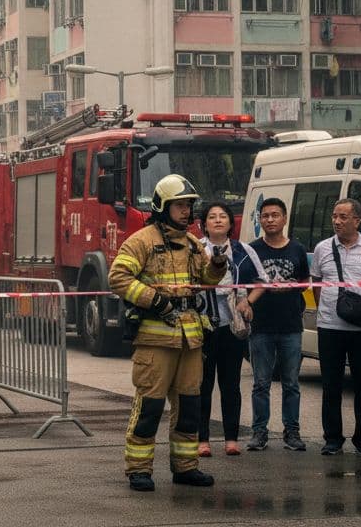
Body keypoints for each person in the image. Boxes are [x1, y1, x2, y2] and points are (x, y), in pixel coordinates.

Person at [110, 175, 227, 492]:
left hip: (191, 340)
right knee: (149, 408)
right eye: (180, 205)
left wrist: (217, 265)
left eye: (189, 205)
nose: (187, 211)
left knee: (190, 408)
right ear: (163, 206)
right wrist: (154, 300)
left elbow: (208, 280)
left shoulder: (192, 244)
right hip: (155, 339)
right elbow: (118, 277)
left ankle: (186, 467)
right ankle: (138, 469)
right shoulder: (142, 241)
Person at [237, 197, 311, 453]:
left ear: (284, 218)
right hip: (261, 326)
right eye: (265, 215)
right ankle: (259, 432)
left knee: (291, 383)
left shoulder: (298, 249)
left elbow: (306, 281)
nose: (269, 220)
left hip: (291, 325)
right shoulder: (252, 250)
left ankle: (292, 432)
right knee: (261, 383)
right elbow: (244, 285)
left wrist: (292, 285)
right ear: (260, 220)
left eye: (275, 215)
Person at [310, 197, 361, 456]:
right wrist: (327, 310)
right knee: (331, 385)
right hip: (330, 326)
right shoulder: (322, 248)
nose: (337, 221)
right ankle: (332, 438)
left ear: (357, 220)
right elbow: (316, 282)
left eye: (343, 217)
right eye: (334, 216)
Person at [196, 201, 262, 458]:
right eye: (212, 217)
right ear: (204, 224)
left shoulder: (243, 250)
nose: (218, 220)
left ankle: (231, 439)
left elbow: (261, 282)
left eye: (223, 216)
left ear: (230, 223)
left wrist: (248, 301)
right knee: (202, 385)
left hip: (232, 328)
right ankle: (202, 440)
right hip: (203, 326)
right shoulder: (196, 249)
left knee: (230, 384)